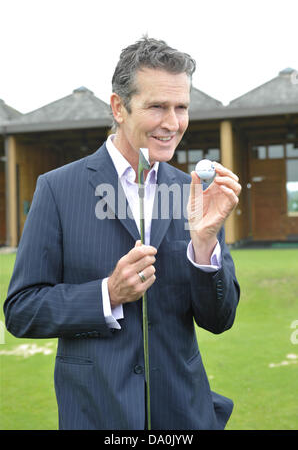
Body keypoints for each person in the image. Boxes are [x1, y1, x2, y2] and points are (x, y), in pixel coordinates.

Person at [4, 37, 241, 430]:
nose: (173, 123)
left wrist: (204, 244)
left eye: (181, 107)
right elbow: (22, 310)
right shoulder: (57, 188)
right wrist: (107, 294)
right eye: (157, 107)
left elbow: (220, 319)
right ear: (119, 107)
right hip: (96, 416)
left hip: (185, 417)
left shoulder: (193, 194)